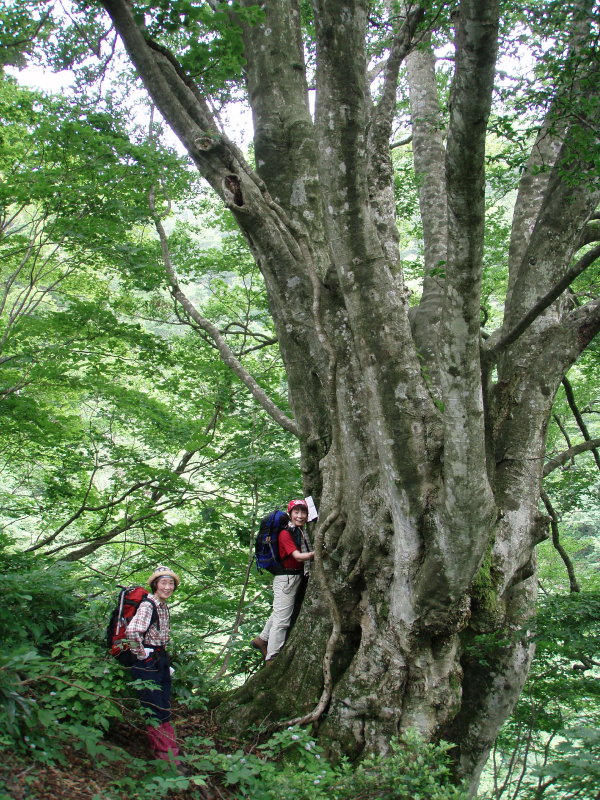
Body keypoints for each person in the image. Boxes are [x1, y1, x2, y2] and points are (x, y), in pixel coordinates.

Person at [126, 565, 181, 764]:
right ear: (155, 585)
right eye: (163, 583)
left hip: (160, 659)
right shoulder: (148, 605)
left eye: (171, 583)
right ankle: (165, 756)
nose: (168, 587)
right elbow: (133, 631)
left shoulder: (163, 607)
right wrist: (142, 654)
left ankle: (171, 751)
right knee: (155, 707)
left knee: (164, 705)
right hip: (148, 661)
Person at [252, 499, 315, 662]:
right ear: (290, 514)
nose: (300, 516)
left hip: (293, 577)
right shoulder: (286, 533)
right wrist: (316, 553)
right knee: (282, 620)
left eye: (303, 512)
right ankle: (272, 657)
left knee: (279, 611)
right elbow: (298, 556)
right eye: (296, 512)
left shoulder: (299, 531)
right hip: (286, 579)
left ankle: (262, 639)